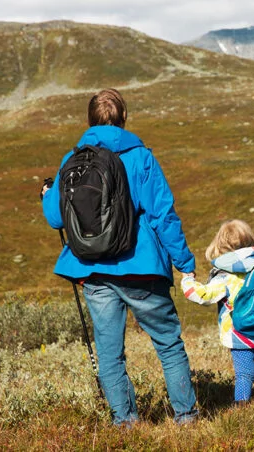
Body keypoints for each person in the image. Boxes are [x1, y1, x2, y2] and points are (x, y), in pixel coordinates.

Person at [41, 88, 198, 426]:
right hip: (142, 268)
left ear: (89, 121)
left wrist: (46, 195)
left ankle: (125, 423)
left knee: (110, 354)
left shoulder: (73, 161)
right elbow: (163, 214)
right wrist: (185, 263)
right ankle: (186, 418)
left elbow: (56, 218)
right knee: (168, 345)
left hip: (93, 272)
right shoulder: (141, 157)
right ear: (124, 118)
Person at [181, 219, 254, 411]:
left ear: (220, 245)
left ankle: (242, 409)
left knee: (244, 374)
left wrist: (187, 281)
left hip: (239, 335)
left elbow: (203, 296)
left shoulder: (225, 276)